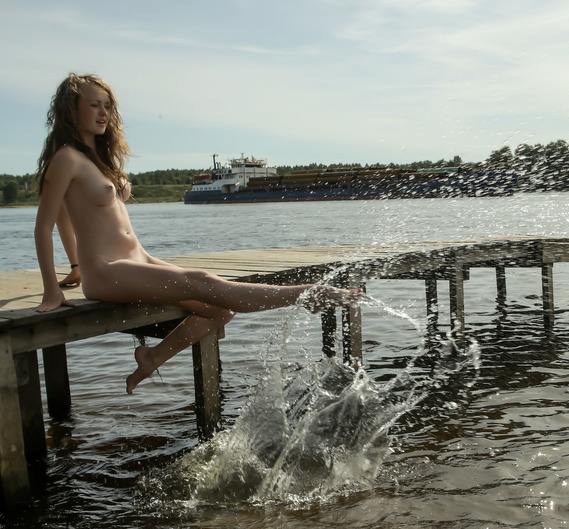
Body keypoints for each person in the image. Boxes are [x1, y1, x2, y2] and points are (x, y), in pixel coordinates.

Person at [34, 73, 361, 394]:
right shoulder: (66, 158)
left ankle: (152, 358)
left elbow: (70, 218)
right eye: (94, 105)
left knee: (221, 308)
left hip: (138, 260)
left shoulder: (100, 160)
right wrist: (53, 290)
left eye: (107, 106)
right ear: (71, 110)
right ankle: (308, 294)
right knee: (203, 281)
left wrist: (75, 266)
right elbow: (45, 225)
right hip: (107, 272)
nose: (104, 113)